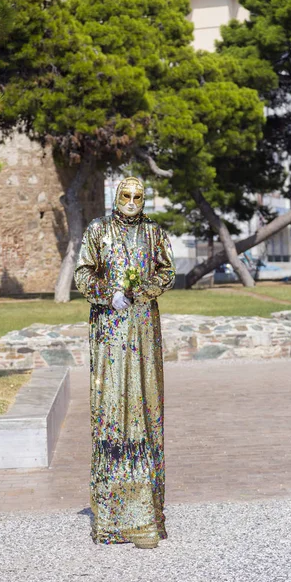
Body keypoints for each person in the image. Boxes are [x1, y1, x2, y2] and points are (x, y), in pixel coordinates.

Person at [74, 176, 176, 549]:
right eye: (125, 195)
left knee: (144, 408)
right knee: (112, 407)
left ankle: (146, 516)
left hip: (143, 330)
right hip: (109, 334)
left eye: (138, 196)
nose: (131, 201)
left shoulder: (154, 232)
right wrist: (108, 293)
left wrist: (139, 292)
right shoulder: (98, 230)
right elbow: (82, 273)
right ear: (115, 197)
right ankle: (111, 517)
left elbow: (167, 271)